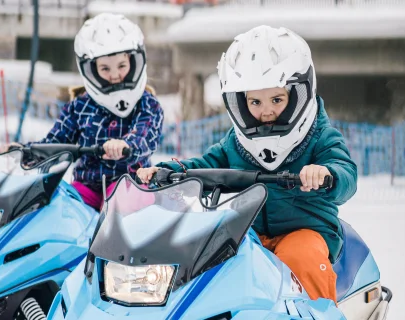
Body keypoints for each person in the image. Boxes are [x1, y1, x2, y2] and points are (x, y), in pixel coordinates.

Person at [136, 25, 357, 304]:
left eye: (277, 99)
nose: (265, 111)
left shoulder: (319, 136)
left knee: (299, 257)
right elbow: (207, 165)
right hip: (248, 231)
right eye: (255, 101)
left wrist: (328, 174)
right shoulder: (237, 142)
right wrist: (172, 172)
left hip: (307, 230)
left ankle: (319, 311)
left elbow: (346, 171)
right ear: (239, 103)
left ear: (298, 94)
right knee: (212, 260)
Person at [0, 13, 164, 212]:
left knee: (119, 203)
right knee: (59, 208)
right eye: (105, 68)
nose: (114, 75)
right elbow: (57, 142)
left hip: (131, 184)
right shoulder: (79, 107)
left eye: (121, 66)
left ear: (134, 62)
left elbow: (145, 135)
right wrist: (27, 152)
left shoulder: (147, 104)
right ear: (91, 69)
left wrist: (126, 144)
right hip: (87, 186)